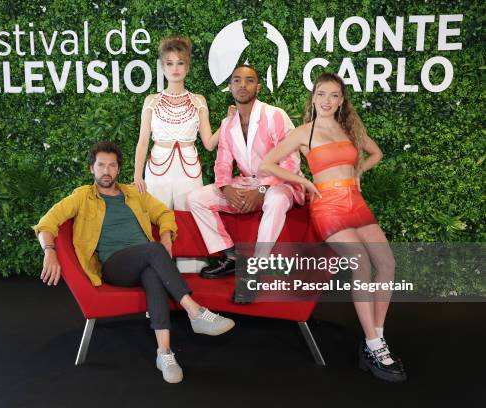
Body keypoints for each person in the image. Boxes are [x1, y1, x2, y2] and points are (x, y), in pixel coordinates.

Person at [34, 141, 235, 384]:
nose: (106, 171)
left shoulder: (134, 194)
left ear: (118, 170)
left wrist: (166, 236)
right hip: (115, 266)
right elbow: (47, 222)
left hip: (146, 259)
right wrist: (49, 250)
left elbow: (163, 213)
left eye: (112, 165)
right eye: (101, 166)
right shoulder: (81, 197)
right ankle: (195, 311)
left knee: (152, 273)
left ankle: (164, 353)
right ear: (92, 169)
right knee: (153, 252)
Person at [259, 72, 407, 382]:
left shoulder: (350, 129)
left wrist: (358, 172)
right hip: (327, 205)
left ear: (341, 101)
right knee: (362, 262)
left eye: (334, 95)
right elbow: (267, 164)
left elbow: (376, 152)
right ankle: (374, 344)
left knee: (387, 263)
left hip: (355, 201)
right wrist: (301, 180)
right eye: (322, 94)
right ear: (313, 98)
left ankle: (375, 339)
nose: (327, 101)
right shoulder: (304, 133)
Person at [186, 65, 305, 303]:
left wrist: (263, 189)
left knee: (276, 199)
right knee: (195, 199)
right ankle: (231, 257)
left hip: (281, 184)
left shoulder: (275, 115)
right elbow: (222, 163)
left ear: (258, 87)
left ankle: (254, 271)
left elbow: (291, 161)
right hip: (246, 183)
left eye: (249, 80)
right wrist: (227, 188)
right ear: (229, 87)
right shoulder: (228, 124)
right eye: (237, 81)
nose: (242, 85)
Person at [133, 36, 223, 273]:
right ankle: (155, 276)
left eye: (180, 63)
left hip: (189, 168)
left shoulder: (198, 101)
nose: (175, 68)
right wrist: (137, 176)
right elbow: (142, 142)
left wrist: (228, 122)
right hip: (156, 169)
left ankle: (190, 279)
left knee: (188, 221)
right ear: (162, 67)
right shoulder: (151, 101)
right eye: (170, 63)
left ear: (188, 67)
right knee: (155, 220)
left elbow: (209, 143)